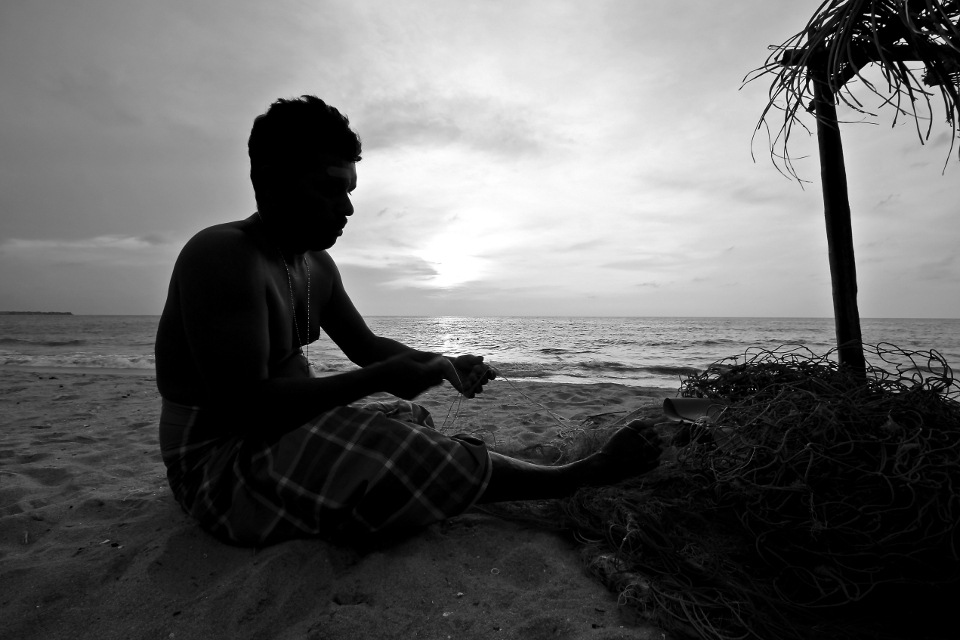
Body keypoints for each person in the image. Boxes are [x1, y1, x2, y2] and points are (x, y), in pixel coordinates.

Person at [154, 95, 663, 546]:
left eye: (351, 191)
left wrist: (442, 362)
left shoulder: (316, 266)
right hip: (220, 464)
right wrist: (376, 379)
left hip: (281, 433)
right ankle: (575, 477)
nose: (348, 208)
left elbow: (368, 347)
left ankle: (436, 477)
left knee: (408, 420)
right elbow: (247, 407)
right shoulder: (224, 254)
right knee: (398, 449)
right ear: (271, 180)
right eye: (330, 188)